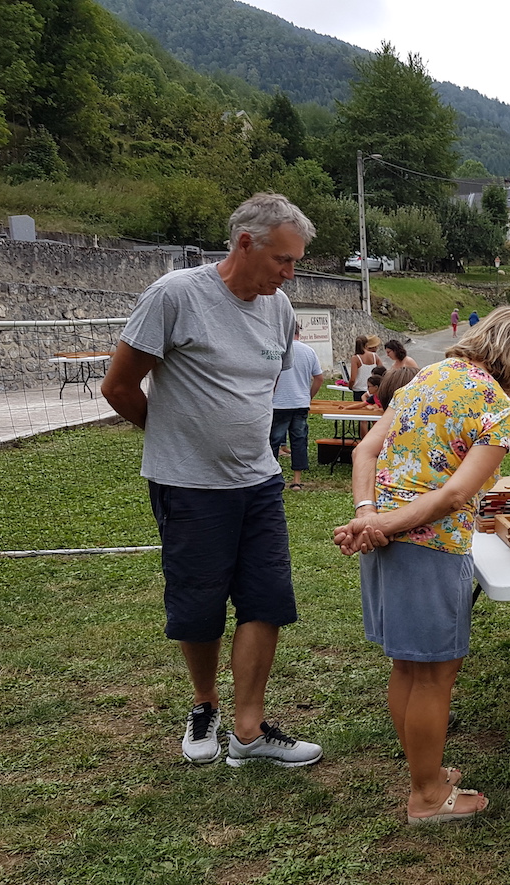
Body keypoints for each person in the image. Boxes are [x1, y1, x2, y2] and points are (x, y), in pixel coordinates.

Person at [101, 192, 323, 768]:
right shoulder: (176, 296)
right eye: (283, 260)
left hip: (259, 483)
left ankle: (248, 732)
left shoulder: (279, 309)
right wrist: (175, 436)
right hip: (190, 487)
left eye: (296, 261)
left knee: (267, 600)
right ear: (245, 243)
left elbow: (263, 387)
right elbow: (119, 387)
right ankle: (205, 708)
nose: (289, 272)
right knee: (199, 604)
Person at [333, 307, 510, 824]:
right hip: (428, 548)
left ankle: (424, 771)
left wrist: (369, 516)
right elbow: (458, 492)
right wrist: (382, 525)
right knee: (434, 675)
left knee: (408, 667)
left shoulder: (425, 376)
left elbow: (364, 452)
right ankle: (428, 796)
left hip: (384, 539)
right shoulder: (498, 407)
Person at [271, 322, 325, 492]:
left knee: (273, 441)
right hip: (300, 403)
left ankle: (273, 477)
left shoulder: (278, 351)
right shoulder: (309, 351)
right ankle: (297, 480)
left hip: (279, 403)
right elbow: (319, 378)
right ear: (298, 332)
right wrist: (308, 396)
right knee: (299, 441)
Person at [349, 335, 383, 401]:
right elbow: (382, 372)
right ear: (367, 344)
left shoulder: (355, 358)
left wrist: (350, 386)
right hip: (373, 389)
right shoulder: (375, 356)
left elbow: (353, 378)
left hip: (359, 390)